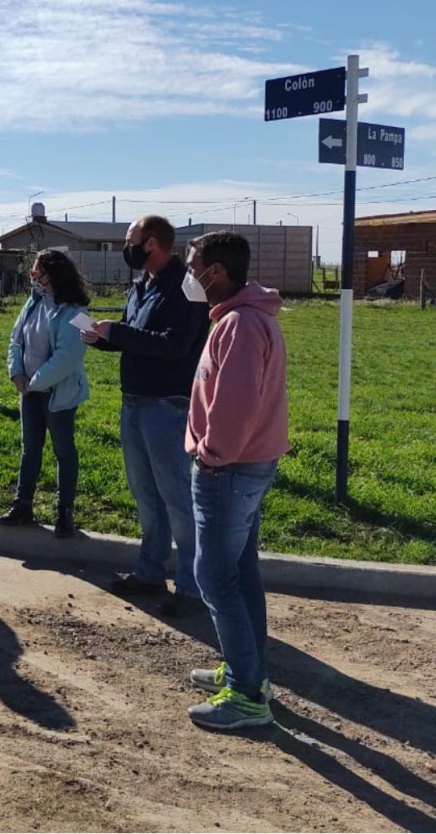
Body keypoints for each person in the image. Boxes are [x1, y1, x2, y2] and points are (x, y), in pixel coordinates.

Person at [181, 231, 289, 730]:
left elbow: (237, 402)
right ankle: (247, 667)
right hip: (245, 465)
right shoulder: (241, 318)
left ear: (216, 272)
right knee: (240, 570)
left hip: (229, 469)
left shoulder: (241, 325)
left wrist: (211, 456)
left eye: (193, 266)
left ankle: (248, 695)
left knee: (215, 576)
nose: (190, 276)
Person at [80, 215, 209, 616]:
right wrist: (103, 339)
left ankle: (190, 588)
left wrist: (116, 332)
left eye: (130, 239)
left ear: (152, 243)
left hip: (166, 406)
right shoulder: (142, 286)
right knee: (146, 495)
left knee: (177, 499)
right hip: (134, 402)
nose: (126, 247)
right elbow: (139, 339)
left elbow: (173, 345)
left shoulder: (188, 288)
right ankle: (151, 570)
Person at [0, 249, 90, 539]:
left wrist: (35, 381)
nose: (32, 277)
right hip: (30, 392)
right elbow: (16, 340)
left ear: (53, 275)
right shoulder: (33, 302)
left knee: (64, 452)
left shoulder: (78, 313)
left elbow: (68, 357)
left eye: (37, 272)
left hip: (57, 395)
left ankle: (65, 513)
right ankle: (22, 505)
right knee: (30, 450)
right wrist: (17, 373)